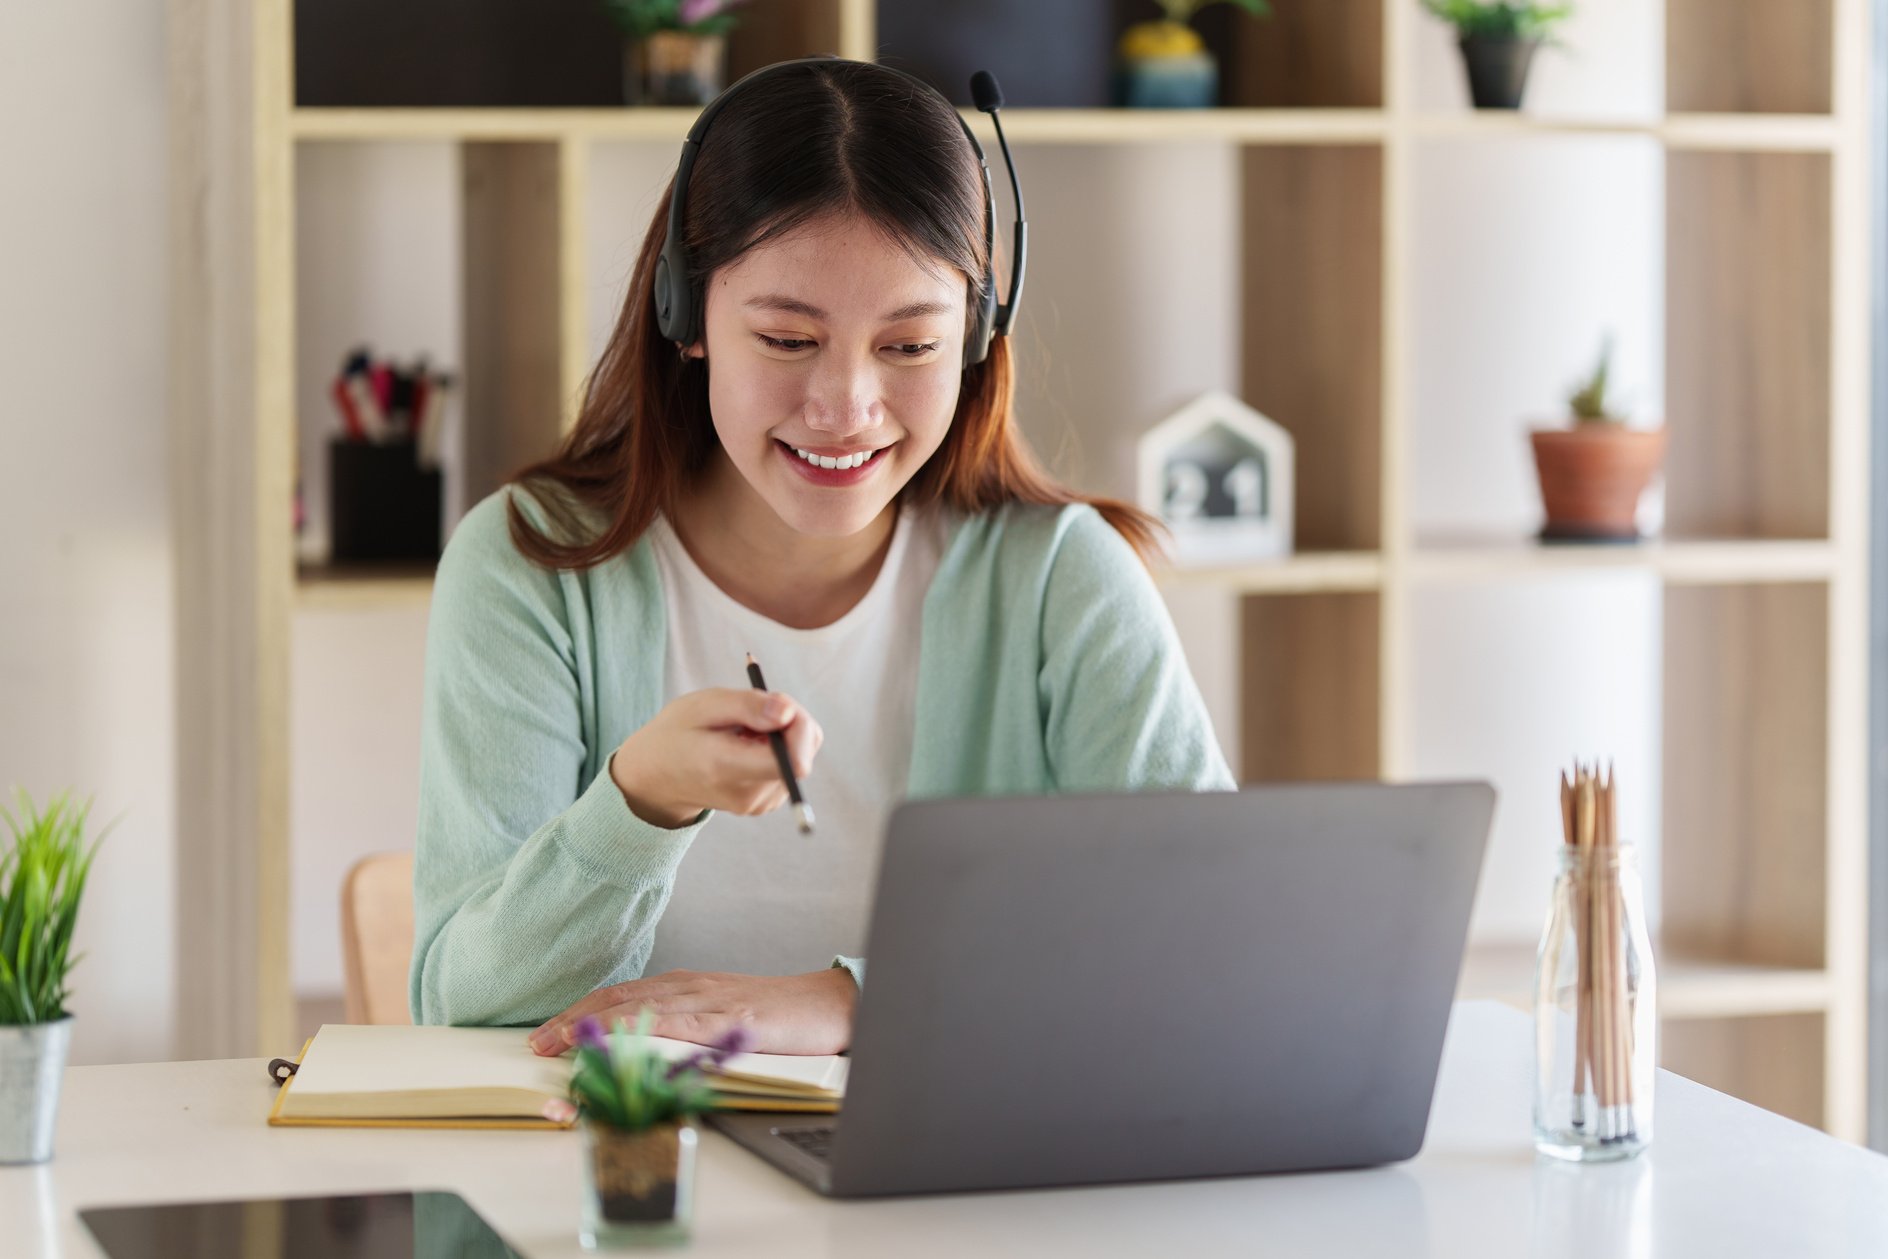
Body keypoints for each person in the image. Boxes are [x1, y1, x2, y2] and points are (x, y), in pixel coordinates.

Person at [408, 57, 1232, 1055]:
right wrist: (638, 803)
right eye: (788, 339)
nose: (846, 407)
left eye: (909, 346)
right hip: (626, 1186)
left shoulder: (1060, 577)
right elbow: (462, 1008)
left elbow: (1204, 947)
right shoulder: (528, 565)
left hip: (961, 1190)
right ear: (687, 317)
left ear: (977, 335)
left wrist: (846, 1003)